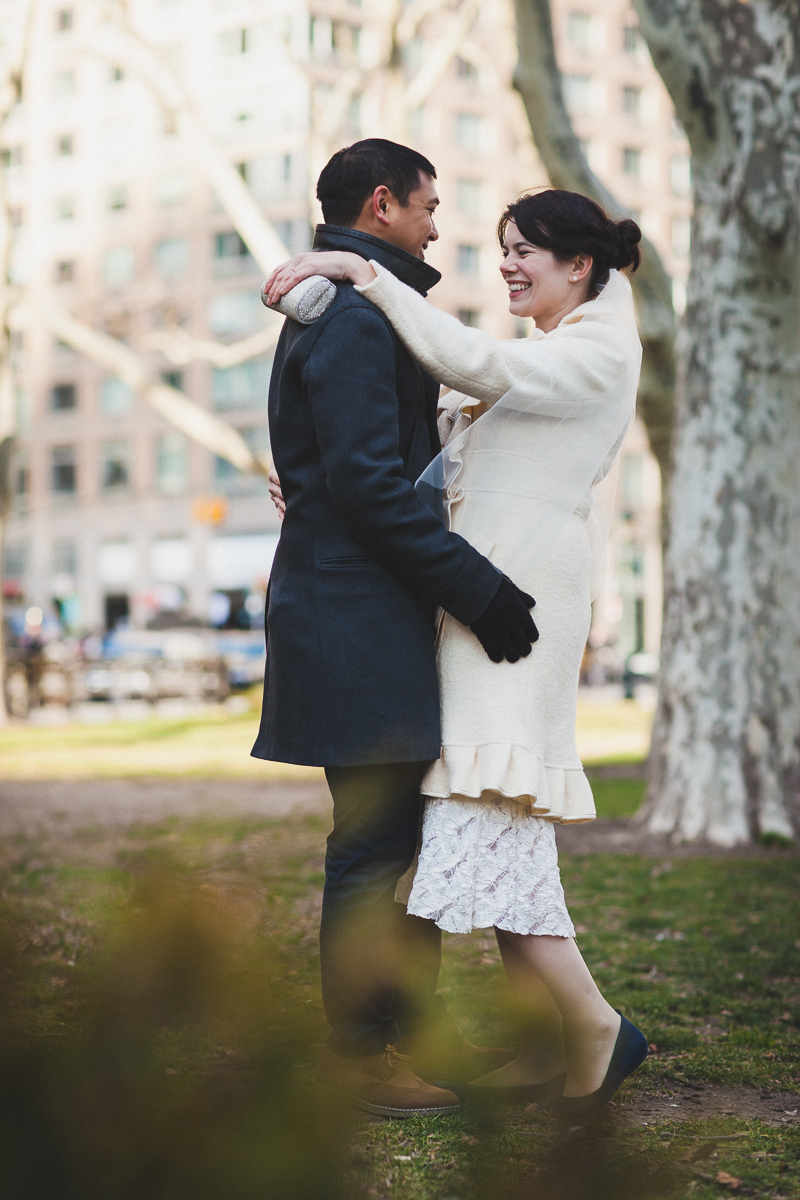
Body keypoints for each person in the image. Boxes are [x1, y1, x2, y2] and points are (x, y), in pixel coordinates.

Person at [263, 187, 649, 1115]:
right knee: (490, 818)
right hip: (487, 591)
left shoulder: (596, 350)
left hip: (514, 595)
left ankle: (591, 1027)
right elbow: (452, 447)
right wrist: (318, 485)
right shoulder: (556, 355)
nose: (506, 264)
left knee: (486, 807)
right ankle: (565, 1032)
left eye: (525, 252)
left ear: (580, 267)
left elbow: (468, 362)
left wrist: (361, 273)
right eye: (503, 248)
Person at [251, 139, 540, 1118]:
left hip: (367, 615)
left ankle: (417, 1040)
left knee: (399, 845)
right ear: (380, 205)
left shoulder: (361, 308)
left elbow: (359, 469)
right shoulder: (350, 324)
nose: (435, 225)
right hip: (353, 620)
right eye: (426, 206)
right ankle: (354, 1058)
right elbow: (372, 488)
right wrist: (483, 592)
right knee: (372, 849)